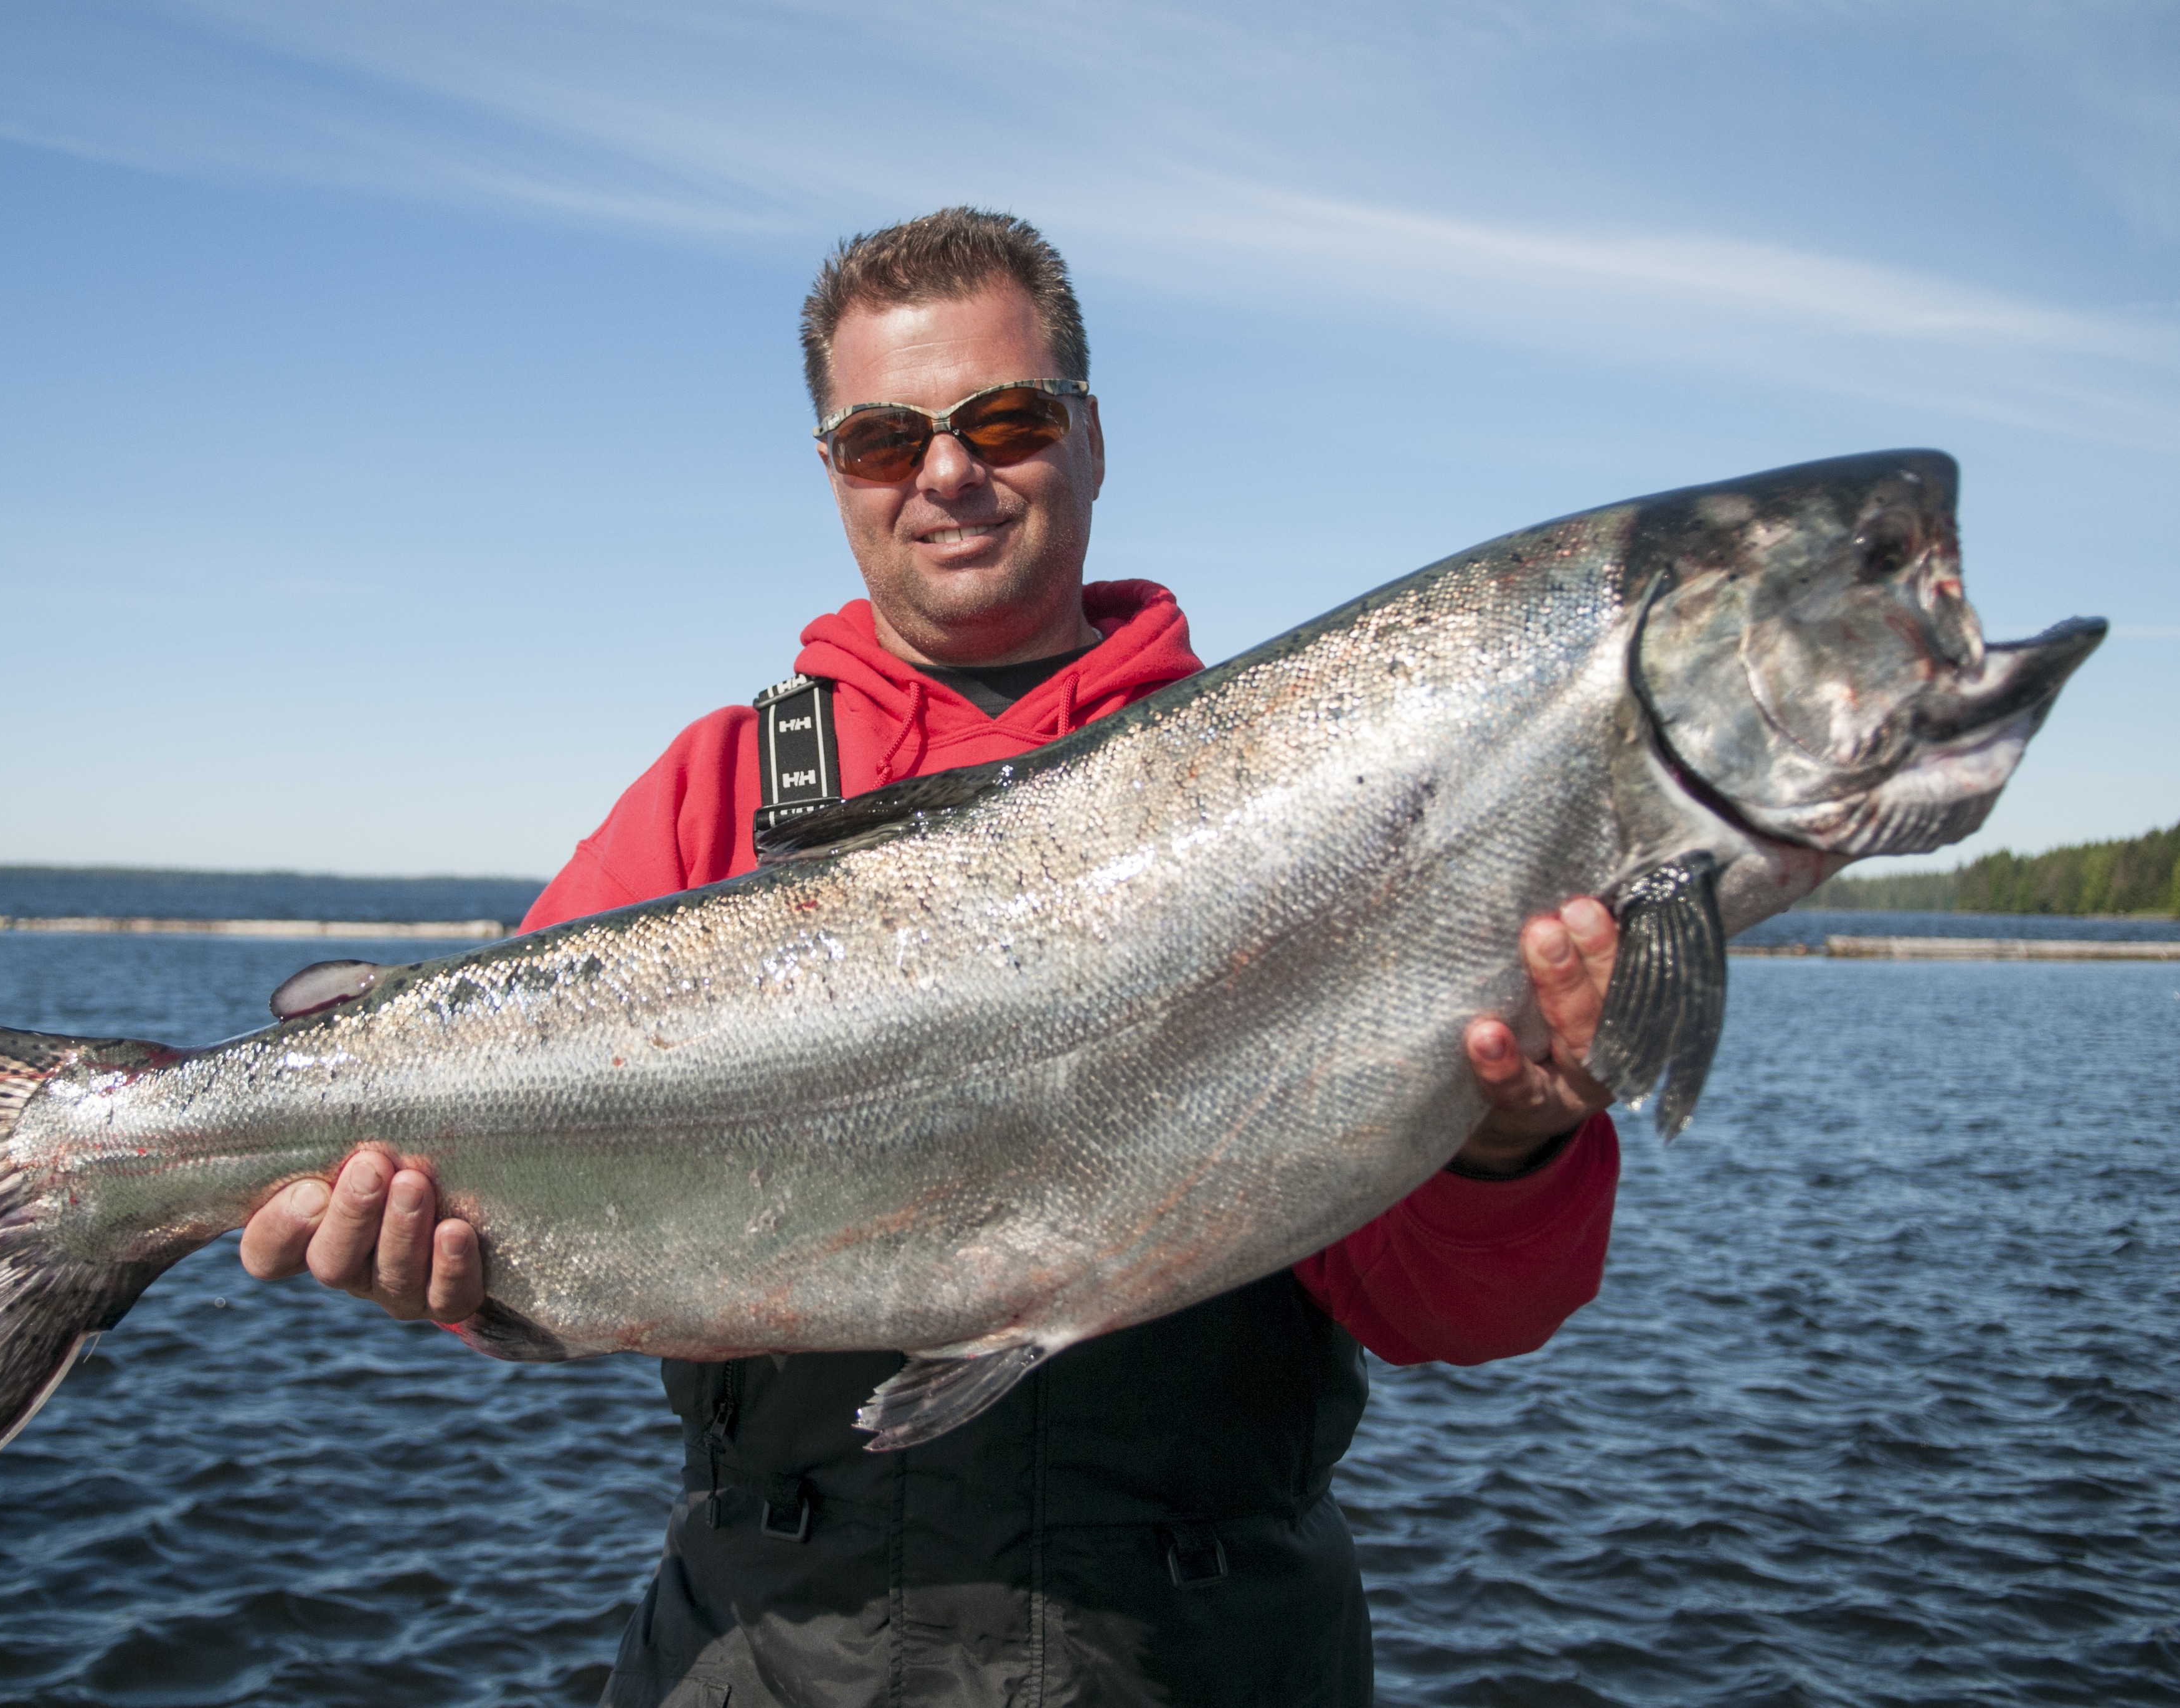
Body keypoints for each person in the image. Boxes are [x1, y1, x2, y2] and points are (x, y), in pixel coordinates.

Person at [241, 209, 1623, 1706]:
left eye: (1004, 419)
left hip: (1200, 1657)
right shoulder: (713, 790)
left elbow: (1450, 1313)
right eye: (885, 437)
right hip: (767, 1656)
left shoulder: (1314, 803)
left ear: (1091, 438)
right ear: (834, 472)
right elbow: (498, 1192)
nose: (947, 472)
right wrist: (429, 1265)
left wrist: (1508, 1148)